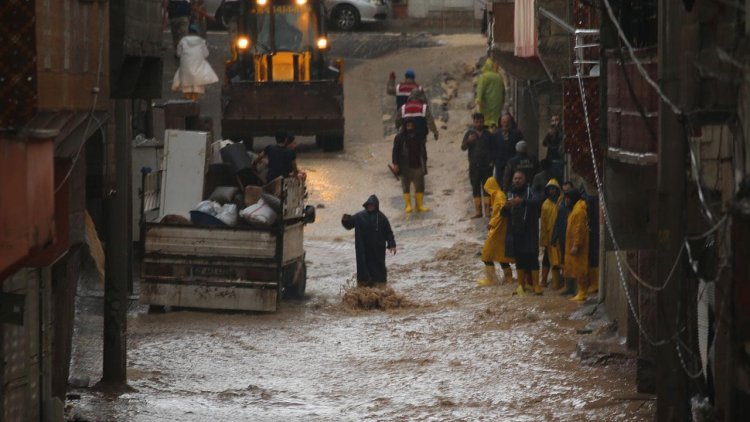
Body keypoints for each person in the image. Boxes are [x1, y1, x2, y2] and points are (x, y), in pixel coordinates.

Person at [341, 195, 397, 288]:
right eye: (369, 205)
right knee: (363, 273)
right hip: (363, 251)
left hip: (378, 251)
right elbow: (349, 225)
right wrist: (345, 220)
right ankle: (363, 294)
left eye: (372, 205)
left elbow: (388, 232)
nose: (370, 207)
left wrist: (392, 244)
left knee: (379, 273)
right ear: (366, 205)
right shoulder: (359, 216)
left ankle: (381, 292)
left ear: (376, 206)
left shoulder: (382, 218)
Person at [503, 171, 543, 296]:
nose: (517, 181)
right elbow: (503, 214)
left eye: (520, 178)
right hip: (516, 232)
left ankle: (536, 285)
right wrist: (506, 207)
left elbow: (538, 201)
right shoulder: (510, 193)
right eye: (515, 178)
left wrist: (522, 202)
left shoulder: (531, 191)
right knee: (519, 259)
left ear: (524, 179)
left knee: (532, 258)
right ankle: (521, 285)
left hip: (530, 231)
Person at [477, 176, 514, 286]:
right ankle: (508, 279)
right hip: (499, 230)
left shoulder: (499, 196)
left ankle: (491, 280)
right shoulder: (497, 195)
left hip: (499, 230)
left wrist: (492, 223)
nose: (487, 192)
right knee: (502, 256)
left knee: (486, 255)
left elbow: (502, 211)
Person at [172, 24, 219, 101]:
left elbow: (178, 53)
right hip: (198, 69)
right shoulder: (201, 41)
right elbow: (206, 54)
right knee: (203, 68)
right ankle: (195, 98)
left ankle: (187, 97)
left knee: (185, 79)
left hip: (185, 69)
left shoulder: (183, 41)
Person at [392, 119, 429, 213]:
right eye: (407, 125)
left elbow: (423, 151)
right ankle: (408, 205)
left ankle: (419, 205)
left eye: (411, 125)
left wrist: (424, 162)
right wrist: (395, 164)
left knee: (420, 186)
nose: (409, 127)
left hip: (418, 165)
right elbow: (395, 151)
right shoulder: (399, 138)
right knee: (406, 186)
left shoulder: (419, 136)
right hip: (404, 166)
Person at [461, 113, 494, 218]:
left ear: (483, 121)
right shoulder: (469, 133)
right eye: (476, 122)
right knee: (475, 187)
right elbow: (463, 147)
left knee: (487, 188)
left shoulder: (488, 134)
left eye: (480, 121)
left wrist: (492, 162)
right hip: (474, 166)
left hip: (487, 166)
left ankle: (488, 211)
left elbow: (493, 149)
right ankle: (478, 211)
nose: (478, 124)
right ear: (473, 122)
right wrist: (469, 141)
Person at [563, 187, 590, 302]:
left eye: (568, 199)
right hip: (573, 244)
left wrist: (576, 245)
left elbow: (579, 229)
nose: (566, 201)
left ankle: (583, 292)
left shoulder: (579, 211)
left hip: (578, 245)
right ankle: (580, 291)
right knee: (577, 267)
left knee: (580, 268)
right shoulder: (575, 209)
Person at [552, 181, 575, 295]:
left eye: (568, 190)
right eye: (564, 191)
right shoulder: (561, 203)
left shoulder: (577, 204)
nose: (566, 193)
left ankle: (576, 287)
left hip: (573, 239)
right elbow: (557, 221)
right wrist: (554, 237)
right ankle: (568, 286)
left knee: (574, 262)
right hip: (562, 237)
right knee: (564, 262)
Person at [540, 179, 563, 289]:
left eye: (554, 189)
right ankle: (544, 280)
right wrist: (543, 240)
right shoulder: (545, 205)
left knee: (560, 259)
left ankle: (558, 283)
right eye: (550, 189)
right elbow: (543, 224)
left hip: (561, 235)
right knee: (548, 258)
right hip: (550, 236)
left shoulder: (562, 201)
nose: (552, 191)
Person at [491, 113, 523, 182]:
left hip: (513, 166)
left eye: (508, 122)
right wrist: (496, 161)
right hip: (500, 166)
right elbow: (493, 150)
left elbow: (520, 148)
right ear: (500, 123)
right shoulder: (495, 135)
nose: (506, 124)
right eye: (504, 122)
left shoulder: (517, 133)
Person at [475, 58, 505, 130]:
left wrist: (478, 101)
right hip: (497, 109)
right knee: (494, 124)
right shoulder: (499, 77)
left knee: (486, 125)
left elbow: (480, 91)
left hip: (485, 108)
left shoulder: (484, 77)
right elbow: (504, 93)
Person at [542, 114, 564, 182]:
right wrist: (549, 135)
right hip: (550, 158)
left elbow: (560, 142)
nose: (554, 122)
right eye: (553, 120)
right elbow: (544, 143)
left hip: (558, 158)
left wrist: (557, 131)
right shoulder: (551, 132)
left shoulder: (561, 131)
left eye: (556, 120)